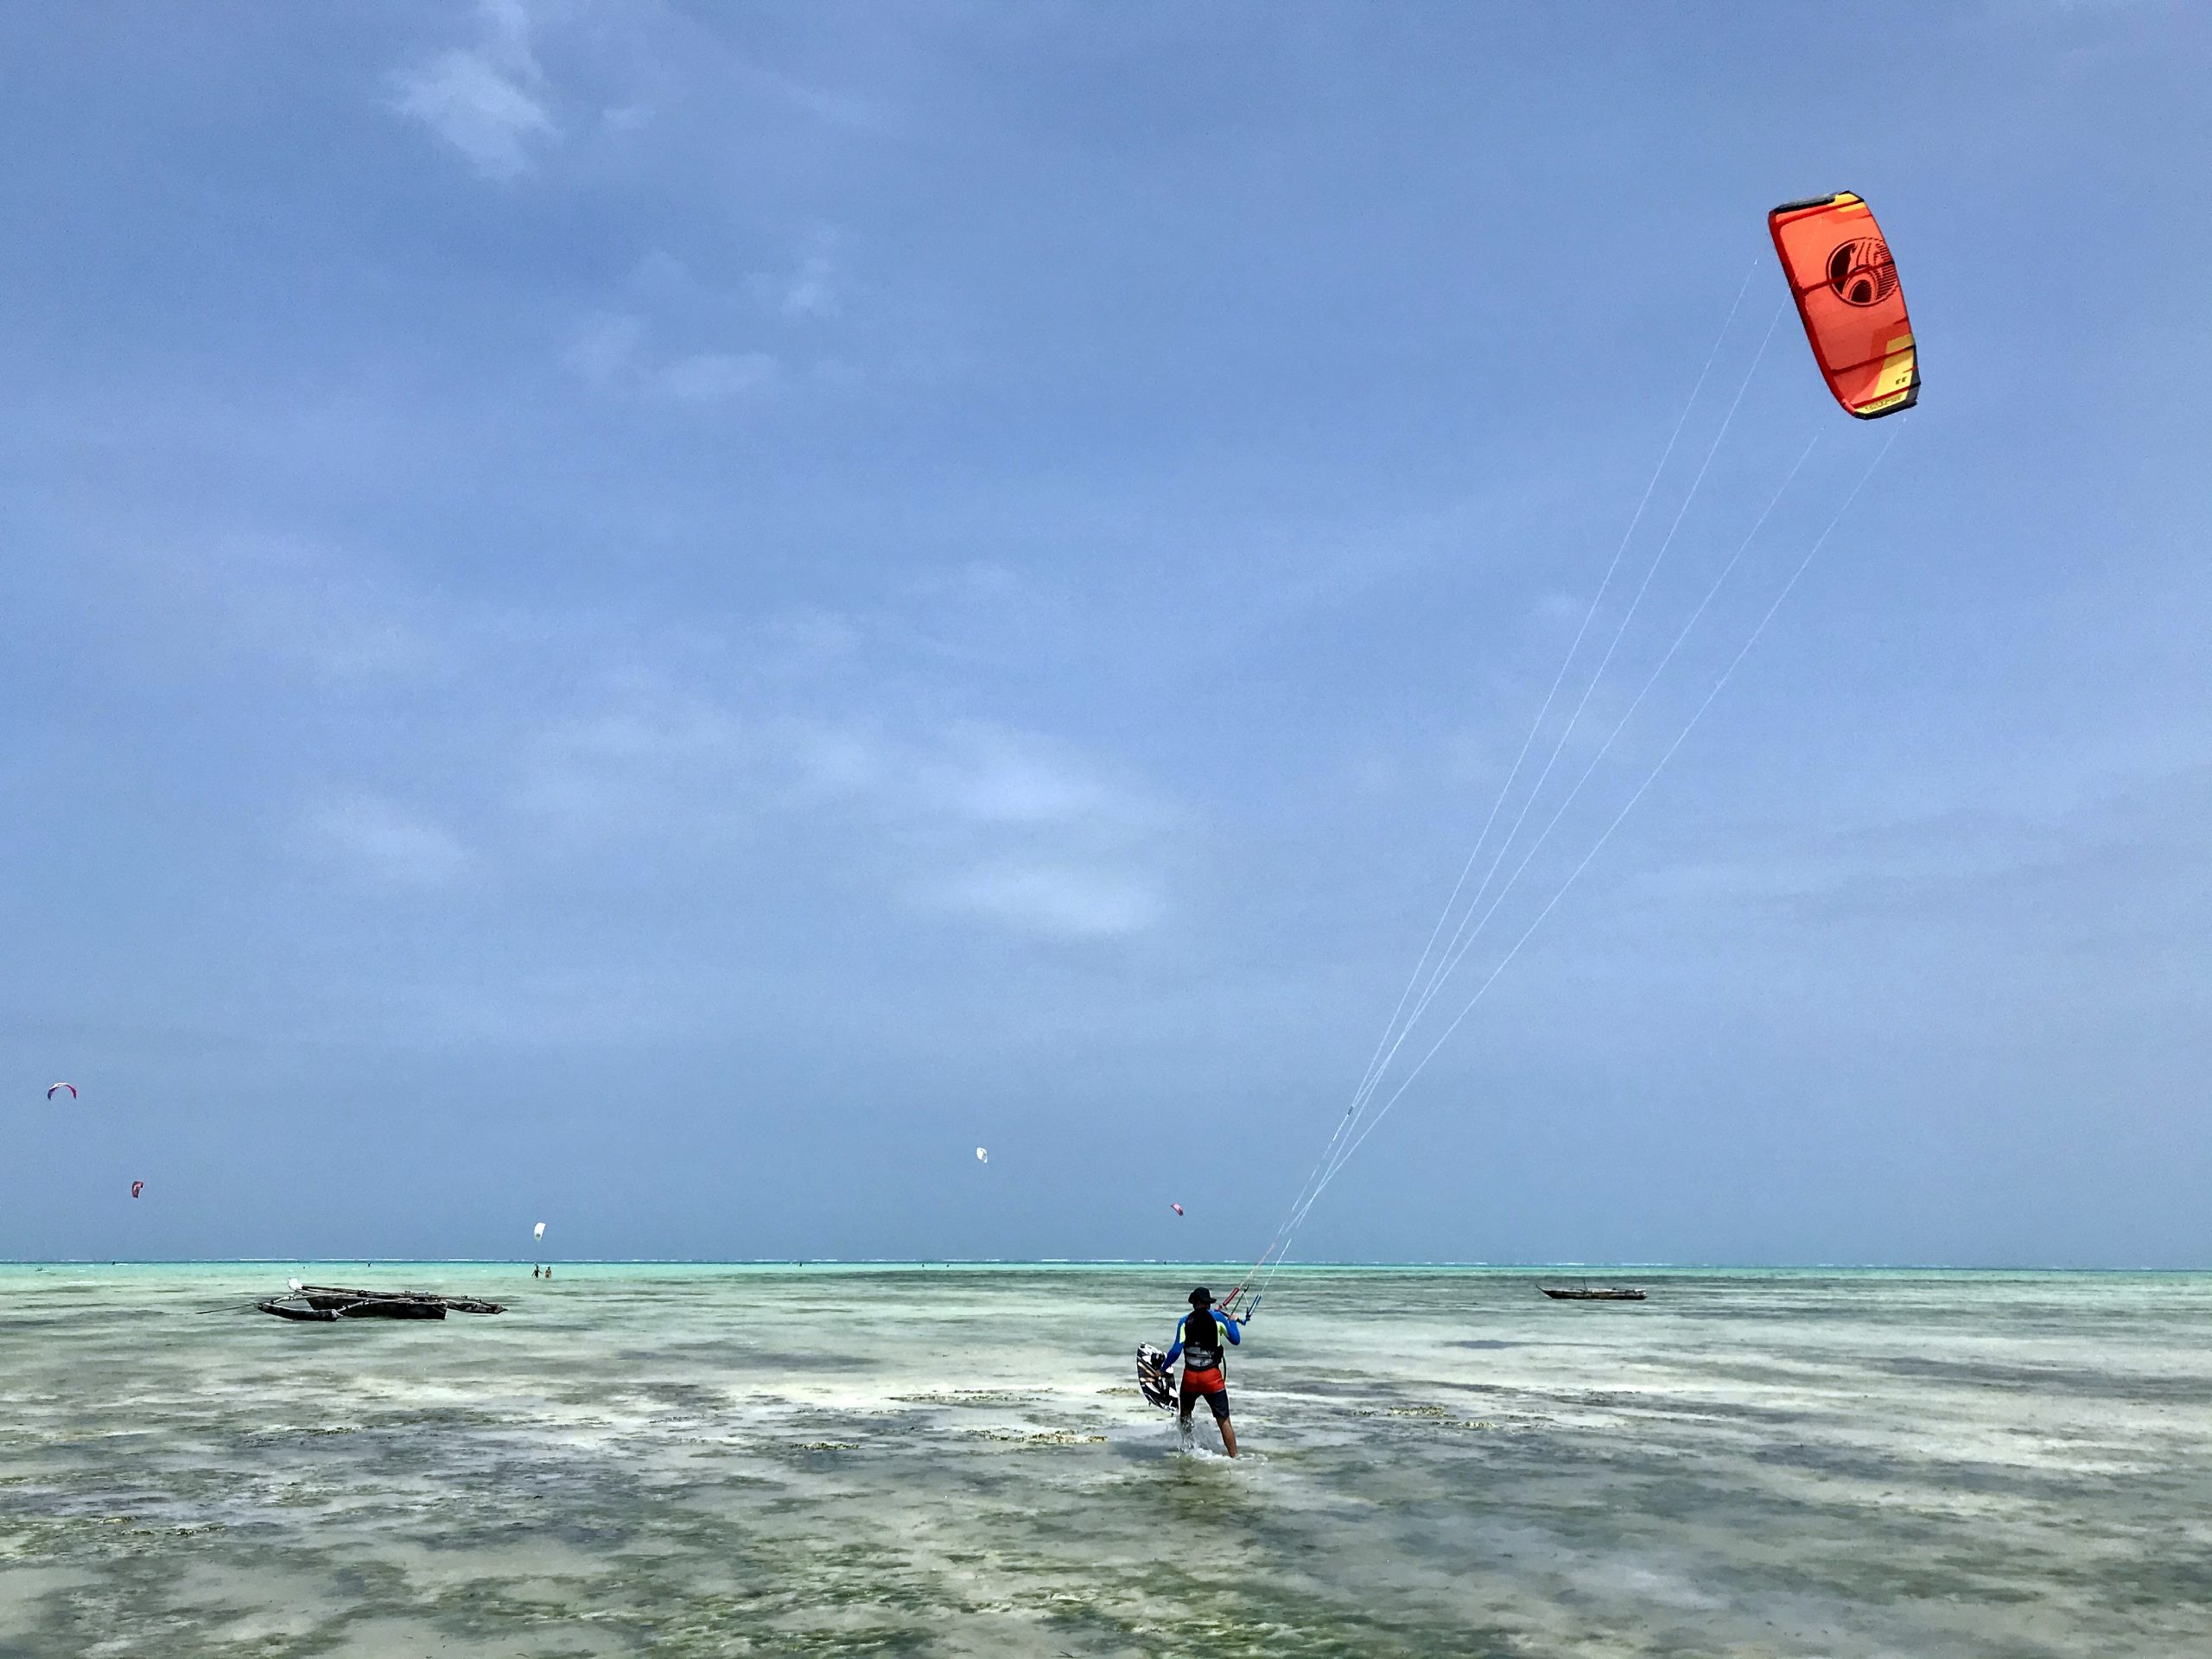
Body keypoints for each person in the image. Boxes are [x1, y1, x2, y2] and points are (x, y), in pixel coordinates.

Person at [1162, 1287, 1244, 1457]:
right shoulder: (1219, 1319)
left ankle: (1188, 1449)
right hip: (1212, 1379)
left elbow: (1176, 1351)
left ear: (1194, 1303)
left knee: (1185, 1414)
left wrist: (1162, 1370)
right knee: (1224, 1421)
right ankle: (1235, 1458)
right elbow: (1236, 1340)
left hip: (1190, 1378)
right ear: (1208, 1303)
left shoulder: (1184, 1321)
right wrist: (1233, 1321)